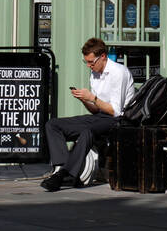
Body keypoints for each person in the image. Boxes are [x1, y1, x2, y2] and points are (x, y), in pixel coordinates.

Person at [41, 38, 134, 192]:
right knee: (53, 124)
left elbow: (115, 111)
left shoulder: (119, 72)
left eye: (92, 62)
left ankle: (67, 174)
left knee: (88, 131)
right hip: (100, 116)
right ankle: (63, 169)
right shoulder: (94, 74)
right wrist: (84, 99)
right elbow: (95, 110)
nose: (89, 66)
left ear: (103, 56)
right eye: (87, 62)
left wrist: (93, 98)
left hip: (118, 119)